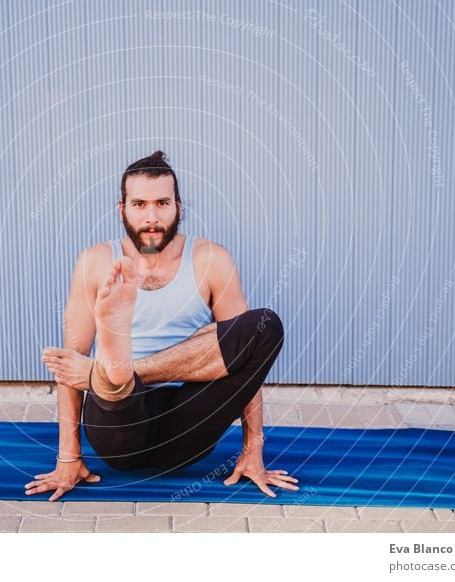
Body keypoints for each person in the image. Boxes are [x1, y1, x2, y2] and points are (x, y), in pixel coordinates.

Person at [25, 151, 299, 501]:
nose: (151, 217)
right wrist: (68, 458)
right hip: (118, 425)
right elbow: (69, 367)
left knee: (264, 326)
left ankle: (121, 368)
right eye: (139, 204)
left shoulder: (210, 259)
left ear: (179, 208)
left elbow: (246, 364)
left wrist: (253, 450)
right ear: (121, 208)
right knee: (115, 386)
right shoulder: (95, 262)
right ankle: (118, 371)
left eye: (162, 203)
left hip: (186, 425)